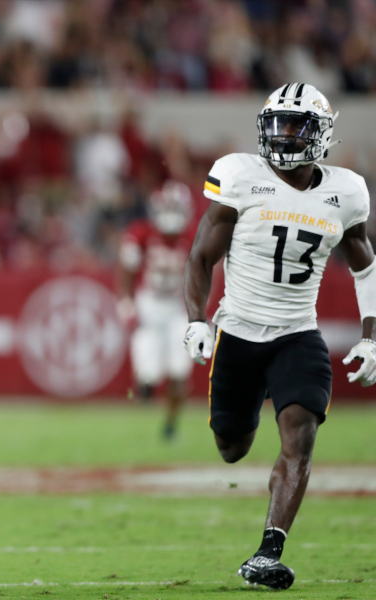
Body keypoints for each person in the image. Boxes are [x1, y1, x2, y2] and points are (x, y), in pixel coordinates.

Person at [183, 83, 376, 590]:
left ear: (322, 134)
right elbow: (201, 256)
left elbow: (365, 266)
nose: (282, 135)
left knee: (300, 437)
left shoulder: (347, 191)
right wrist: (197, 320)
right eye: (277, 123)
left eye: (295, 125)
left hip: (298, 335)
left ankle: (269, 551)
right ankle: (247, 414)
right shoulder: (240, 175)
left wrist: (371, 335)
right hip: (240, 332)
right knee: (232, 446)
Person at [118, 181, 197, 440]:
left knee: (178, 372)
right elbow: (127, 269)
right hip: (149, 304)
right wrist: (127, 301)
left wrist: (199, 309)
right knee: (147, 378)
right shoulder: (141, 234)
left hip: (177, 307)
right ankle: (144, 396)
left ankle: (171, 425)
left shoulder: (193, 237)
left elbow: (206, 274)